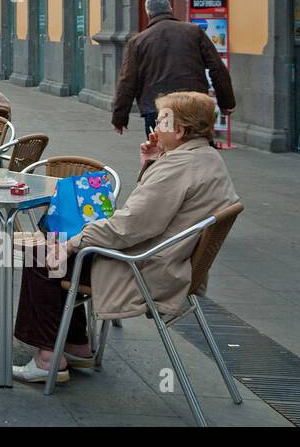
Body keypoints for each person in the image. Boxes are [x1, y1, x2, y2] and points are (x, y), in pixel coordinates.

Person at [13, 91, 240, 383]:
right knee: (61, 250)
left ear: (181, 131)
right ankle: (76, 345)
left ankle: (47, 360)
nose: (154, 129)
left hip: (141, 266)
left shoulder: (178, 167)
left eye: (161, 123)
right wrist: (150, 162)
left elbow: (130, 226)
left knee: (43, 256)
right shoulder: (208, 158)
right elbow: (154, 213)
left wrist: (72, 244)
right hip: (171, 262)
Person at [112, 0, 236, 137]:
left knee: (162, 151)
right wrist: (226, 102)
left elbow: (127, 80)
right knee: (198, 147)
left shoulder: (138, 41)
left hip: (159, 107)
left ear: (148, 13)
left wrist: (119, 117)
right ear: (170, 9)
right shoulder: (194, 32)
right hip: (193, 104)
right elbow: (217, 68)